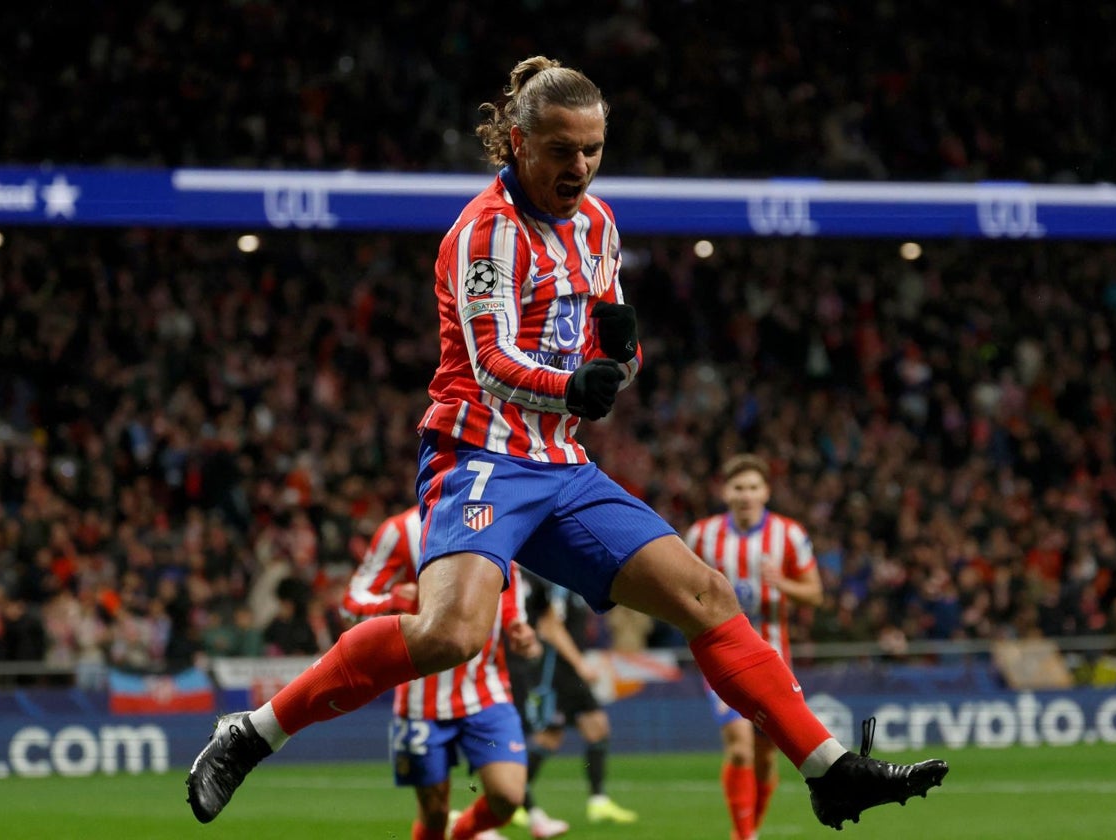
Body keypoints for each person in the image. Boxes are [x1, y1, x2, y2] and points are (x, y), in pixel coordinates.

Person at [186, 55, 948, 832]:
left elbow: (610, 366)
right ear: (518, 142)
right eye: (561, 149)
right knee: (451, 633)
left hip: (561, 466)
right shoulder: (484, 233)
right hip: (480, 454)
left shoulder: (599, 224)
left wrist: (621, 358)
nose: (579, 166)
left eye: (591, 149)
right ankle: (250, 734)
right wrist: (576, 388)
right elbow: (492, 364)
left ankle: (830, 771)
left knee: (708, 595)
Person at [341, 505, 538, 840]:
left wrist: (517, 622)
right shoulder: (400, 530)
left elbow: (508, 575)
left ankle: (464, 834)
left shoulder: (497, 515)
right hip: (421, 696)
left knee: (508, 797)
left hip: (485, 689)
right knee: (434, 814)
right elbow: (352, 604)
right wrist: (393, 600)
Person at [685, 454, 824, 840]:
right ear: (725, 492)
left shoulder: (789, 534)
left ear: (766, 492)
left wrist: (782, 583)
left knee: (765, 760)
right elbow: (681, 585)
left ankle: (748, 830)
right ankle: (745, 836)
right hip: (720, 652)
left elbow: (814, 594)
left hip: (772, 655)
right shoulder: (701, 535)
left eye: (752, 487)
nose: (745, 495)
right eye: (738, 487)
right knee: (740, 748)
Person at [508, 572, 636, 837]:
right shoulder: (553, 583)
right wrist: (580, 664)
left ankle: (597, 802)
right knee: (549, 738)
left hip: (569, 671)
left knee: (596, 727)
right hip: (557, 671)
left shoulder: (574, 583)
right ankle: (513, 797)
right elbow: (549, 627)